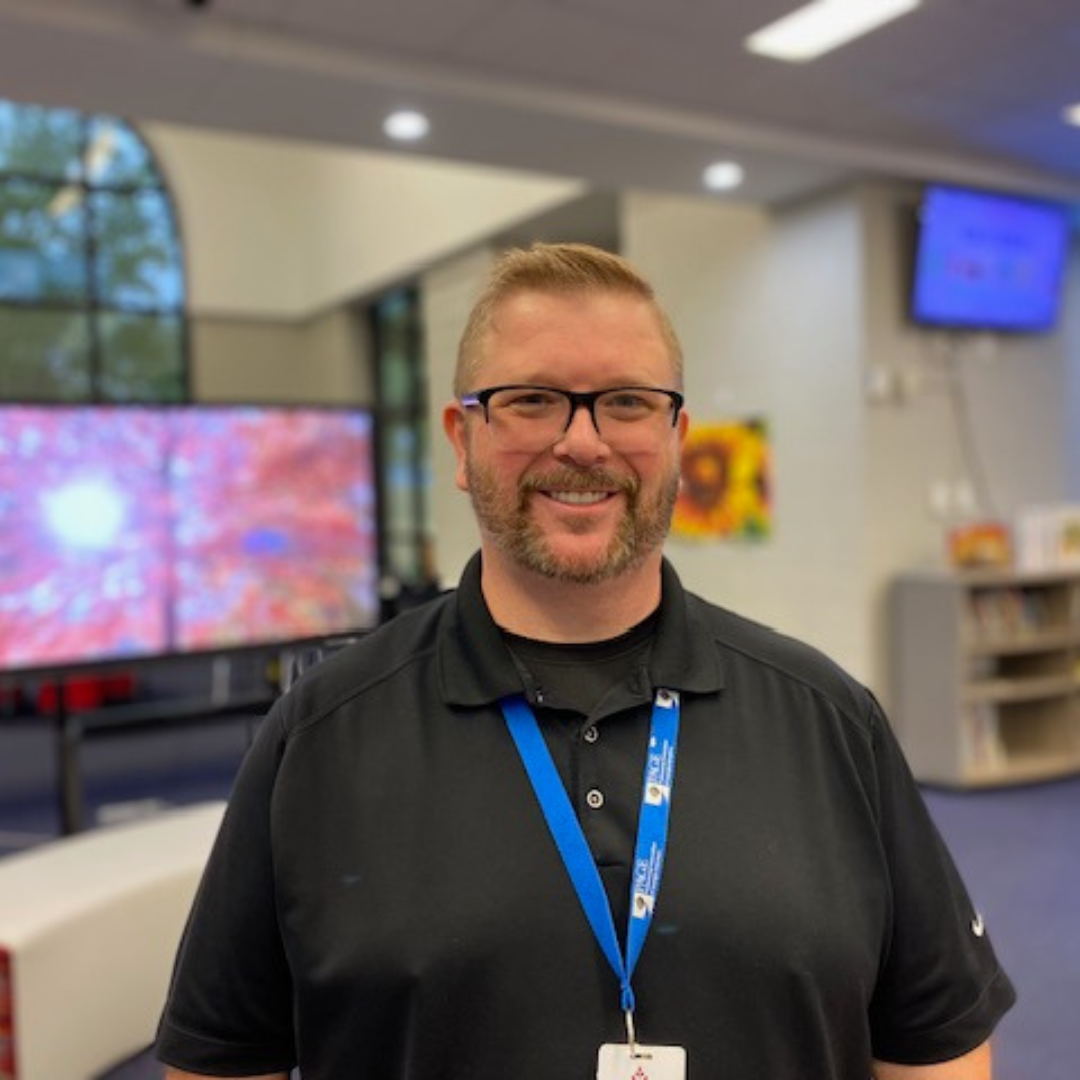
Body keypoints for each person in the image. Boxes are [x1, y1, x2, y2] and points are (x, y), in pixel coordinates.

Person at [156, 242, 1015, 1080]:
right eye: (532, 400)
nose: (582, 442)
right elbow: (226, 1061)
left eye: (627, 403)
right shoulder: (320, 734)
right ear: (461, 439)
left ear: (677, 435)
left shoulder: (829, 717)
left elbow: (932, 1041)